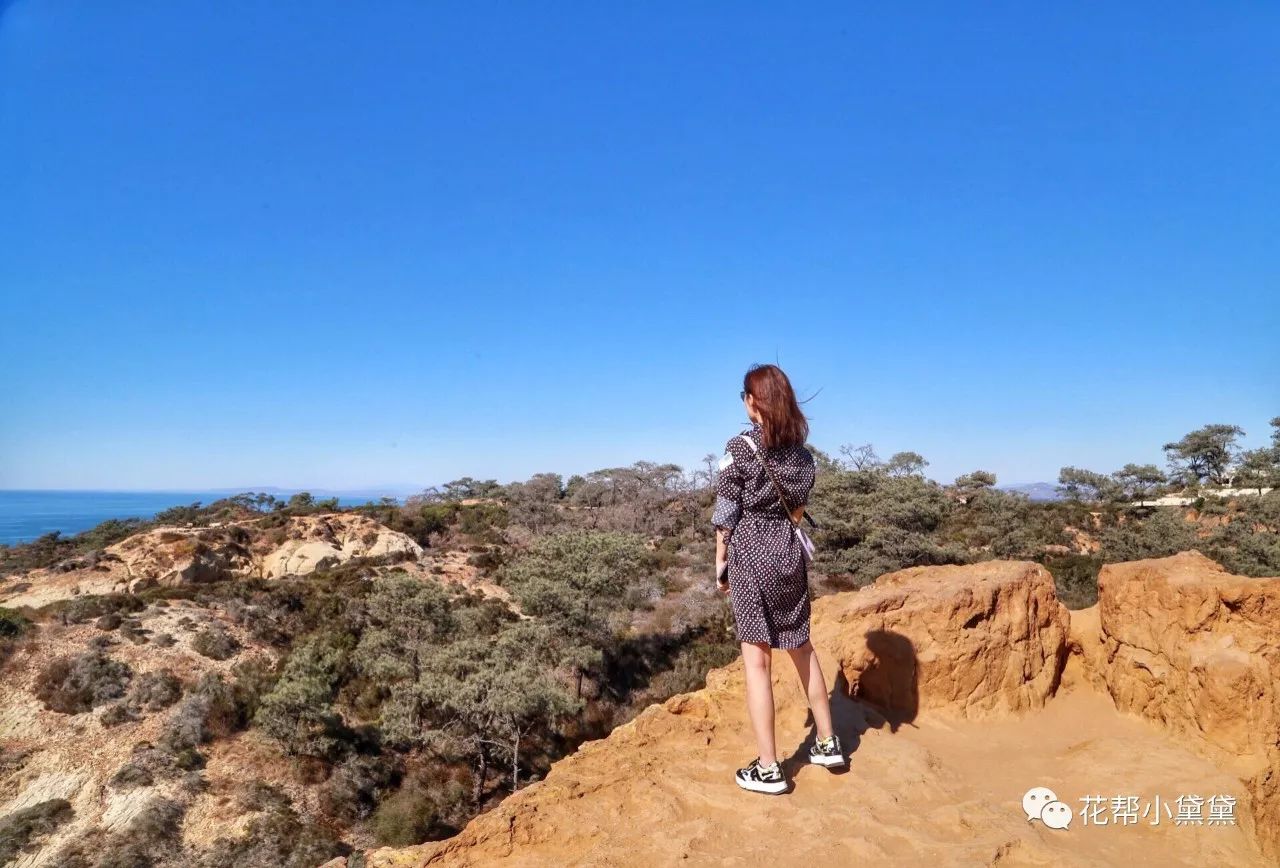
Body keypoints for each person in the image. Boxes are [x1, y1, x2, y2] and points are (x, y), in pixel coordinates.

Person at [712, 363, 845, 794]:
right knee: (803, 649)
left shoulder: (740, 447)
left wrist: (721, 563)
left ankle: (769, 768)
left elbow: (726, 515)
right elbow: (797, 509)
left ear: (754, 401)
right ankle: (828, 742)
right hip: (788, 553)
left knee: (758, 662)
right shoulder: (804, 456)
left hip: (750, 553)